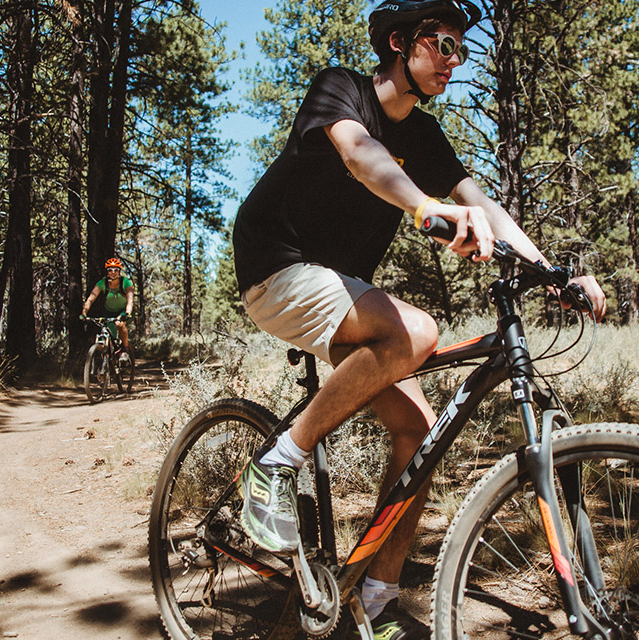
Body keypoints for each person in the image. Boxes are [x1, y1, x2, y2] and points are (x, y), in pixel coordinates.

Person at [232, 1, 607, 637]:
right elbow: (357, 152)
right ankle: (276, 462)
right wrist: (422, 207)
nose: (452, 61)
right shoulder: (341, 88)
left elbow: (483, 205)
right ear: (401, 43)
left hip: (341, 289)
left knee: (419, 437)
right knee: (421, 330)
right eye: (441, 45)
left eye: (461, 51)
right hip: (277, 267)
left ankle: (372, 601)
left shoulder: (426, 137)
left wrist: (556, 273)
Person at [81, 257, 134, 358]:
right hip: (109, 312)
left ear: (119, 271)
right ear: (107, 272)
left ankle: (125, 349)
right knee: (108, 335)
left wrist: (127, 314)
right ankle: (108, 363)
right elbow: (90, 299)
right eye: (110, 270)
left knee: (119, 324)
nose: (113, 272)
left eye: (116, 270)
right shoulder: (103, 283)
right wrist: (84, 313)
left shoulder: (126, 282)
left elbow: (130, 301)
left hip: (124, 311)